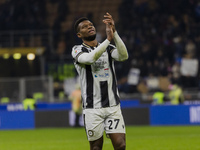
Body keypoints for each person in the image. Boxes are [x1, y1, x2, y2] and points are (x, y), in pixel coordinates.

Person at [71, 12, 128, 150]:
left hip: (112, 105)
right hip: (92, 107)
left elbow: (123, 56)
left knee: (120, 145)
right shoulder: (77, 50)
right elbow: (90, 59)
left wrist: (114, 34)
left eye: (91, 25)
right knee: (96, 147)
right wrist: (108, 40)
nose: (89, 27)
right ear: (79, 35)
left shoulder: (108, 48)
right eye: (84, 27)